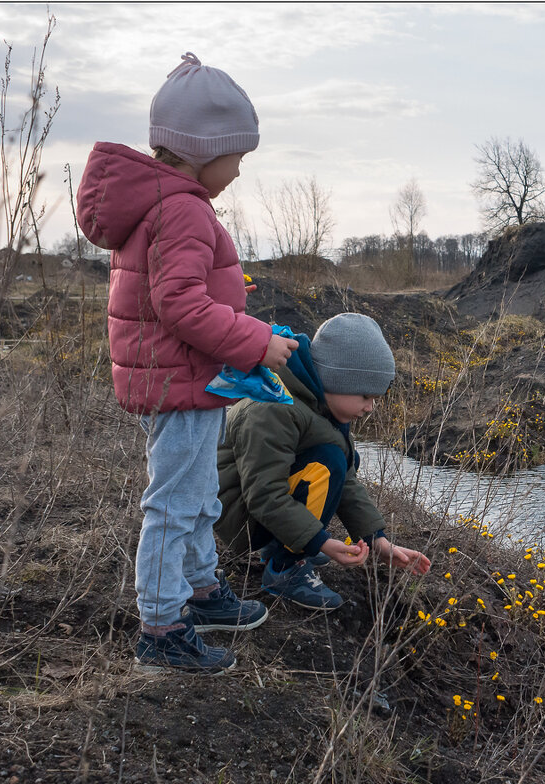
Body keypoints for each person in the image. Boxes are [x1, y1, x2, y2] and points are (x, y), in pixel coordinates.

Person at [76, 53, 300, 674]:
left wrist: (230, 302)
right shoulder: (183, 208)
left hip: (185, 378)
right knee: (175, 504)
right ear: (204, 149)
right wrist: (256, 341)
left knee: (198, 496)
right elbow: (178, 304)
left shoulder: (168, 203)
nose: (238, 170)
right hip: (182, 381)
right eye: (237, 156)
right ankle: (162, 625)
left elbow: (174, 292)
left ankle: (200, 591)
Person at [216, 313, 431, 609]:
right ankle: (284, 568)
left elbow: (347, 481)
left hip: (256, 508)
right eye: (365, 395)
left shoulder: (321, 407)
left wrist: (377, 540)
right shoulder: (272, 409)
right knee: (326, 463)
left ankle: (288, 545)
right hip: (238, 518)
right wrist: (321, 543)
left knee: (336, 461)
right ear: (336, 379)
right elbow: (264, 495)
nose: (370, 408)